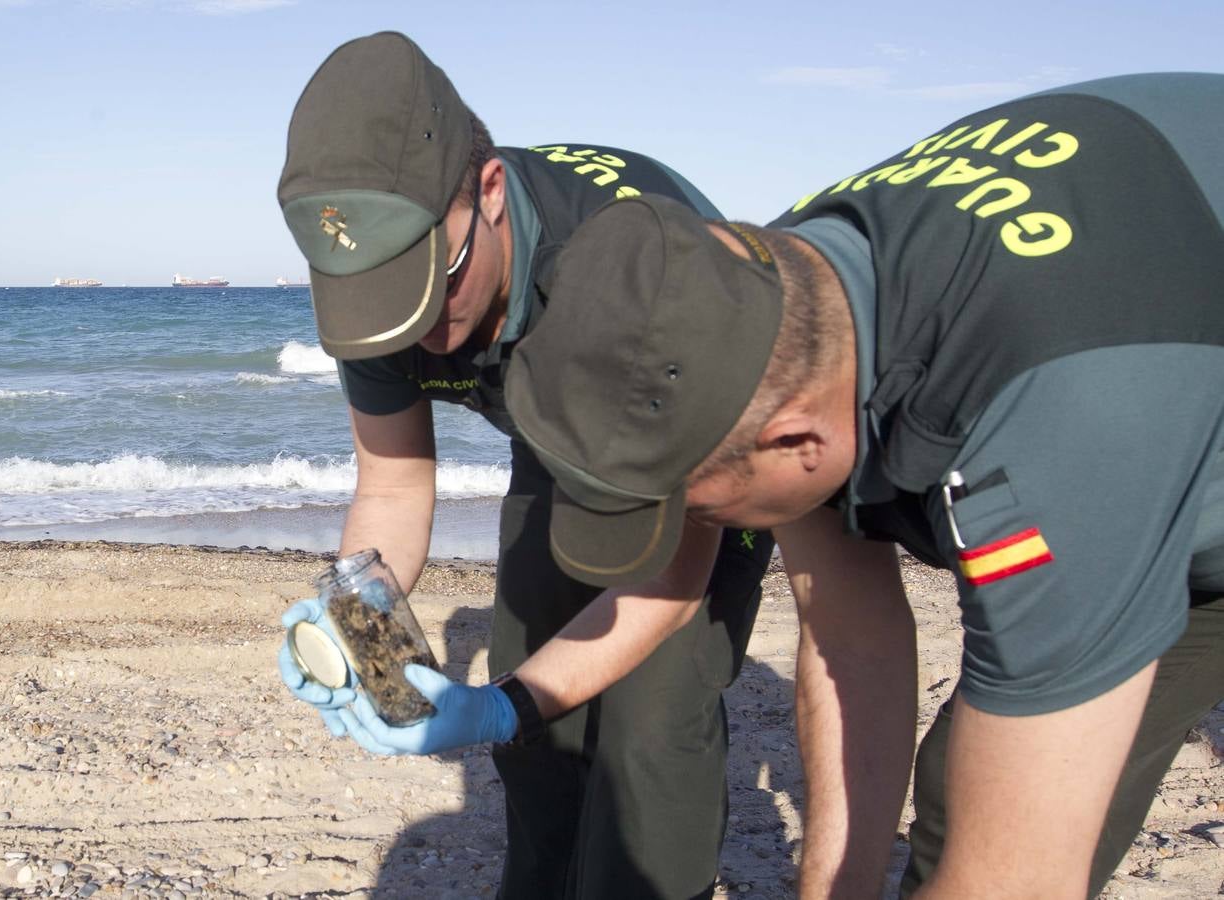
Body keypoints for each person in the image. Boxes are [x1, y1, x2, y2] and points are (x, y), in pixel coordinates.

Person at [503, 73, 1224, 898]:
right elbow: (853, 639)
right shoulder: (779, 310)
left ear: (797, 442)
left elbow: (1021, 880)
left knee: (983, 806)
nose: (678, 534)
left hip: (1145, 400)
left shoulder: (1056, 435)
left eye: (690, 506)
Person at [274, 32, 775, 900]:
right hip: (555, 437)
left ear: (492, 194)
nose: (415, 332)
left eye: (436, 289)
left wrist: (519, 697)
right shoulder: (379, 280)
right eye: (382, 306)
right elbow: (393, 483)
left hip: (697, 435)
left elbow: (677, 574)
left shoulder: (625, 275)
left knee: (652, 728)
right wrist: (352, 610)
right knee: (534, 723)